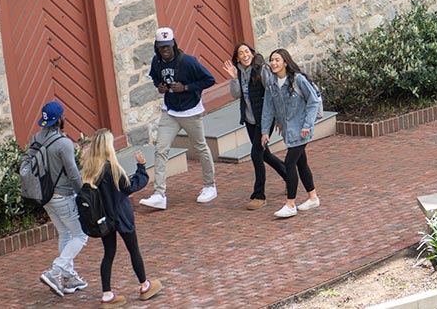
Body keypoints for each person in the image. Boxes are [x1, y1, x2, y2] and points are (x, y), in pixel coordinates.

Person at [80, 129, 162, 308]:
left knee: (108, 254)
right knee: (134, 250)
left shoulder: (91, 170)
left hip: (105, 220)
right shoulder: (112, 169)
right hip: (122, 217)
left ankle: (107, 294)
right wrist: (141, 167)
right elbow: (131, 186)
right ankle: (144, 285)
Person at [139, 27, 218, 210]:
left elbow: (209, 79)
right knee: (161, 149)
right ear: (157, 48)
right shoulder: (156, 62)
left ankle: (210, 186)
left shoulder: (188, 61)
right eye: (161, 47)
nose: (165, 50)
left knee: (200, 147)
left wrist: (187, 87)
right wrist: (160, 87)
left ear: (174, 44)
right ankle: (159, 194)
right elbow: (155, 78)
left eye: (168, 46)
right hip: (171, 111)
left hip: (190, 111)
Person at [220, 42, 288, 210]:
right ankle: (289, 175)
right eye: (241, 53)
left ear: (251, 52)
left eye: (247, 51)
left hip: (265, 119)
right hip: (250, 120)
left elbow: (272, 92)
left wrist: (278, 117)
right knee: (264, 154)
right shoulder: (239, 72)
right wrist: (234, 78)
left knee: (256, 154)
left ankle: (259, 195)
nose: (245, 55)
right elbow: (236, 94)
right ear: (237, 58)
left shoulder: (262, 69)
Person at [33, 101, 90, 296]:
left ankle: (69, 278)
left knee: (65, 234)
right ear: (59, 119)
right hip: (63, 196)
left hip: (46, 197)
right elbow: (73, 173)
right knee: (81, 235)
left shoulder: (36, 139)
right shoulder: (63, 143)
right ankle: (55, 271)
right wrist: (83, 193)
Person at [260, 49, 324, 218]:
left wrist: (307, 125)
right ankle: (313, 197)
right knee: (301, 163)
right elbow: (268, 108)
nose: (273, 63)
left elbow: (312, 102)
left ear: (285, 62)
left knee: (290, 162)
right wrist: (265, 131)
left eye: (277, 60)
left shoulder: (298, 80)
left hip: (302, 129)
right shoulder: (271, 83)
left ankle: (290, 204)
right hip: (289, 131)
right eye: (271, 60)